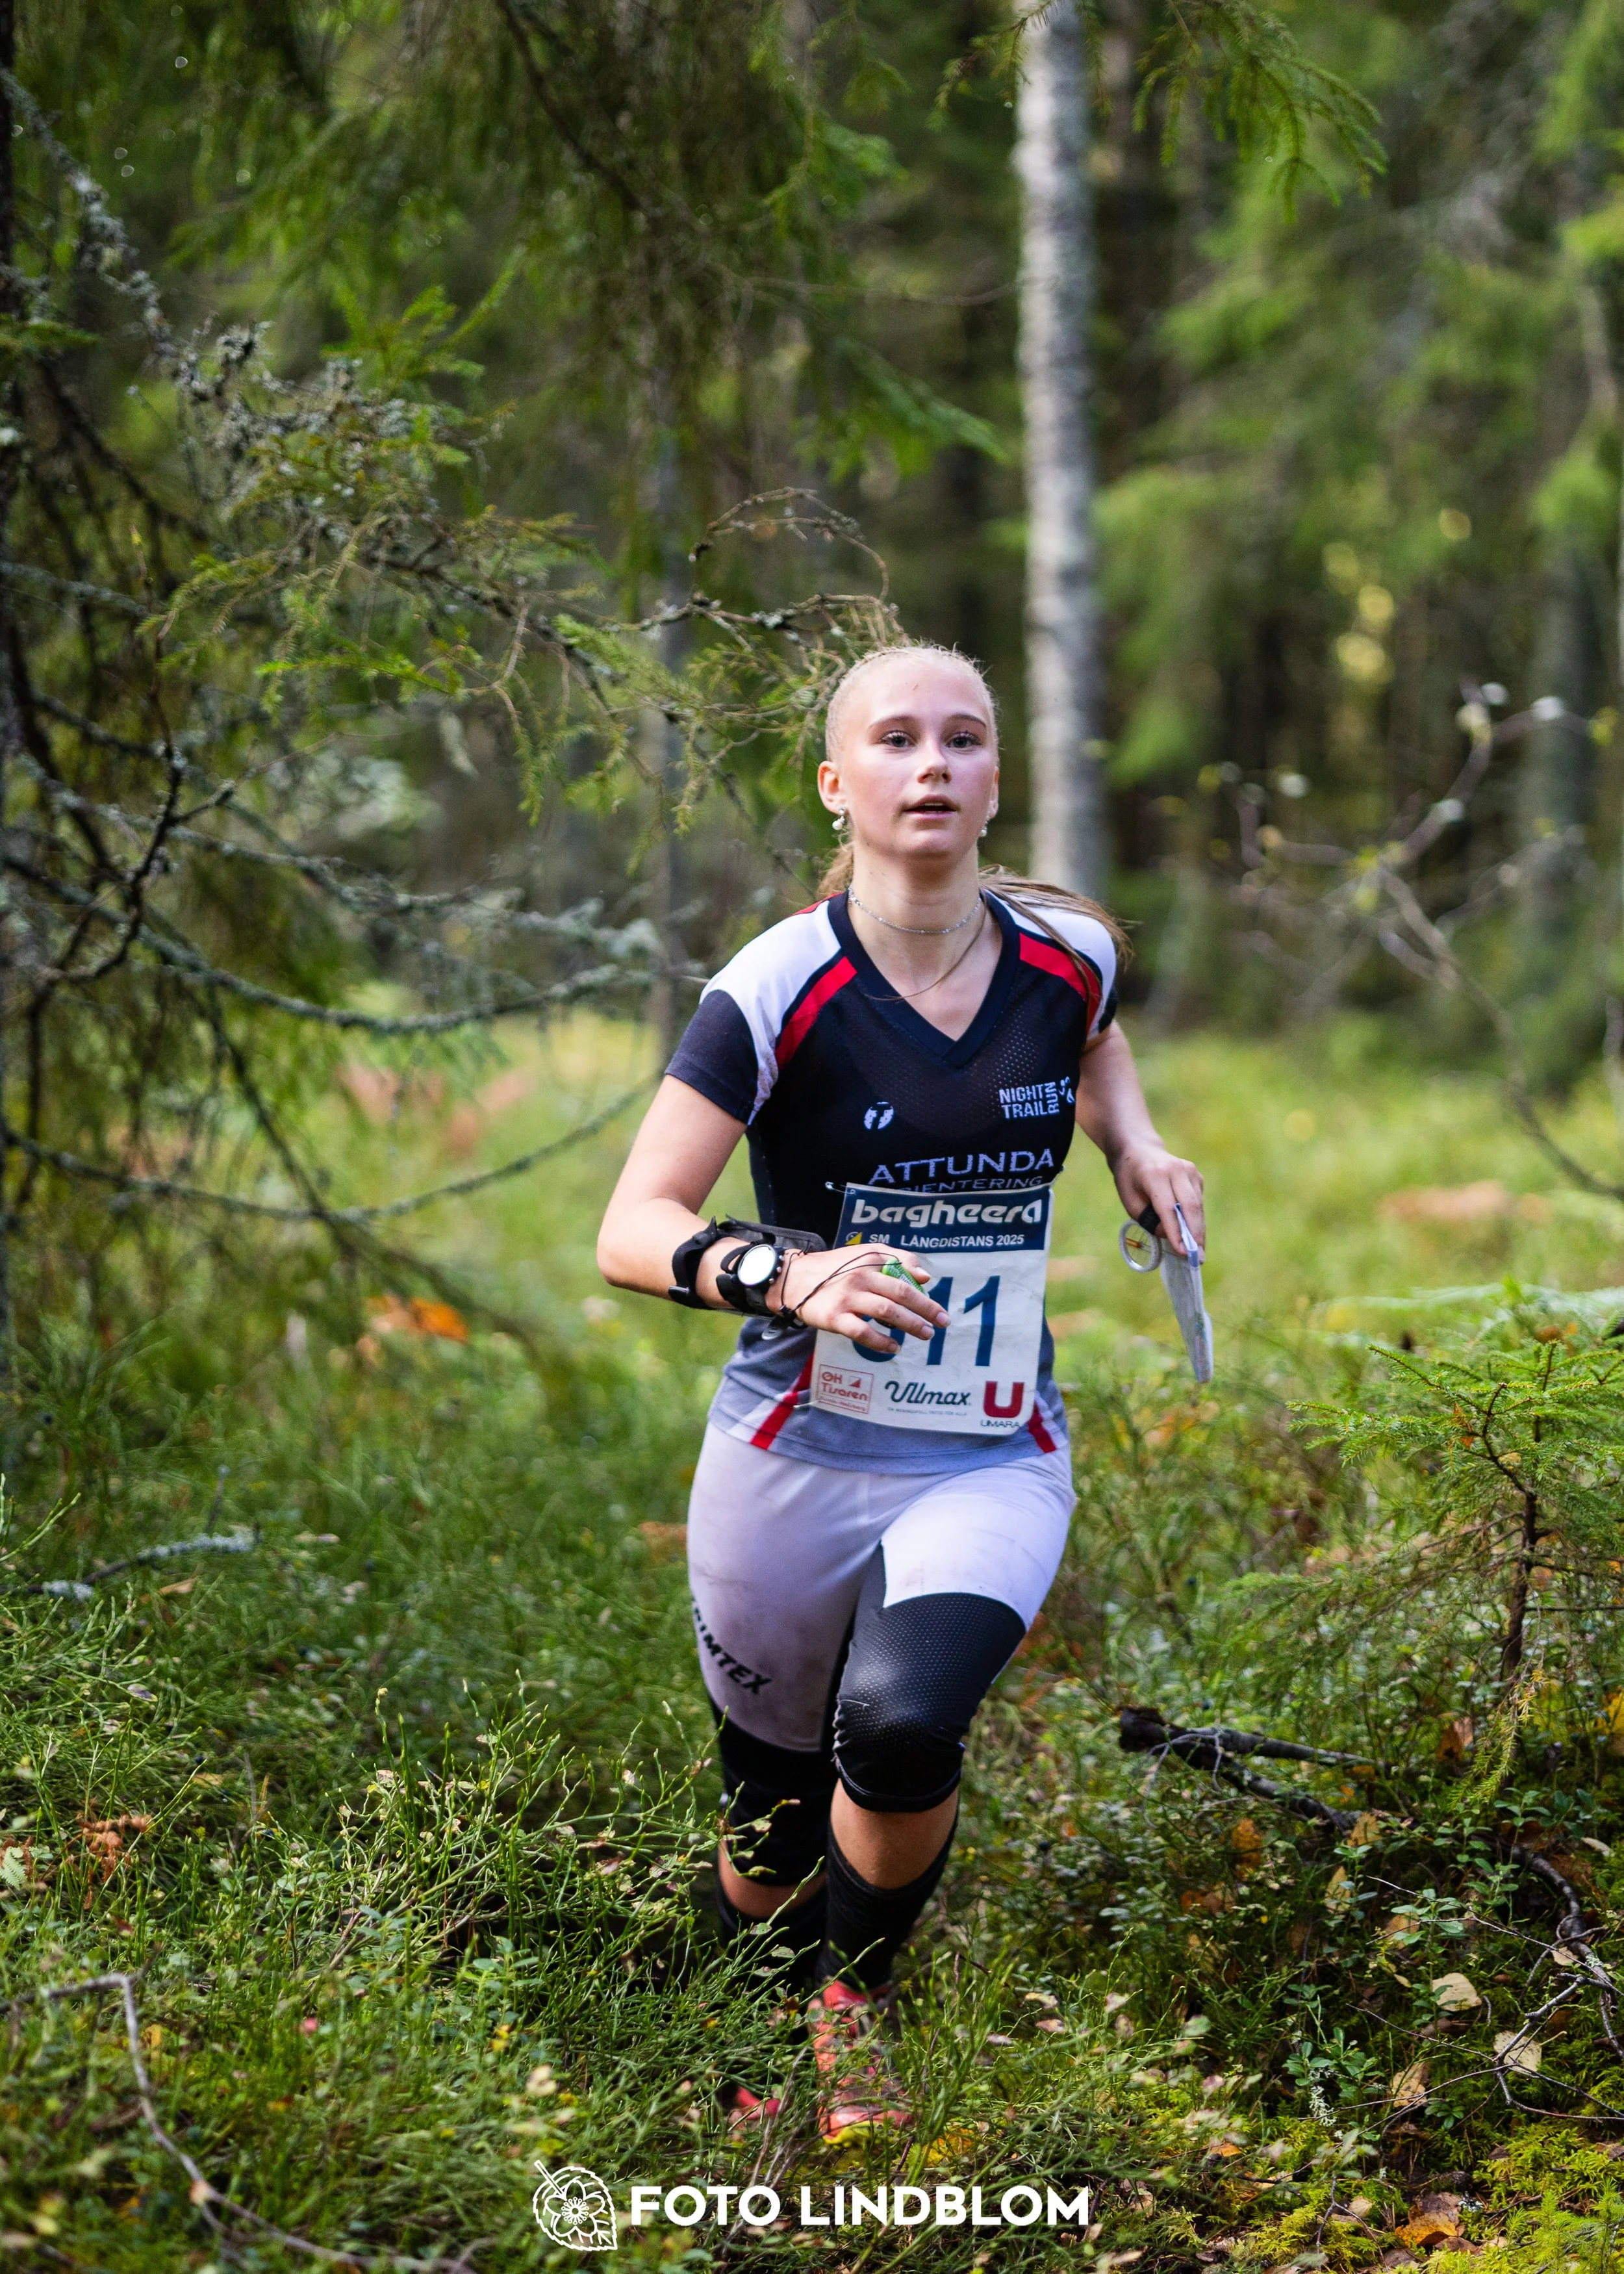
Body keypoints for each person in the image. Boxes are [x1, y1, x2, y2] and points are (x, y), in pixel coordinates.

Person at [596, 643, 1204, 2138]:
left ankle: (846, 2006)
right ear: (837, 783)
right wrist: (782, 1274)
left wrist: (1128, 1143)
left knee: (902, 1722)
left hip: (987, 1445)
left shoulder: (1067, 953)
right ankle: (722, 2025)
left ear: (996, 779)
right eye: (893, 740)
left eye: (961, 739)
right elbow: (631, 1227)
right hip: (792, 1441)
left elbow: (1095, 1038)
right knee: (769, 1820)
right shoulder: (774, 986)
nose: (929, 763)